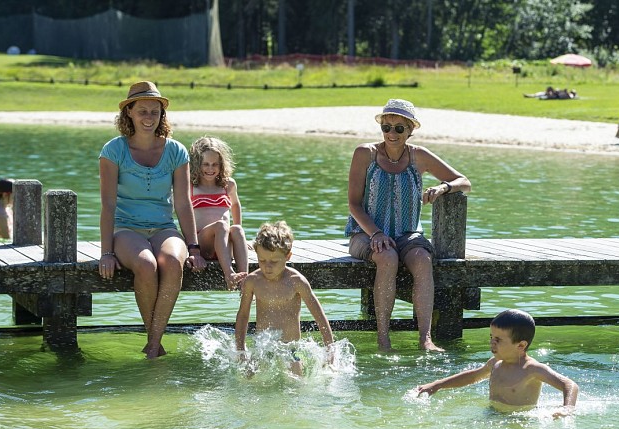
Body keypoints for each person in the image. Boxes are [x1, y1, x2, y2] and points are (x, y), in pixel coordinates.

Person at [345, 98, 471, 352]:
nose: (392, 133)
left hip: (408, 235)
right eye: (387, 127)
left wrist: (443, 187)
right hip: (365, 234)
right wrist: (376, 233)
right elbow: (353, 205)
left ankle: (425, 338)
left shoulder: (419, 156)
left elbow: (464, 181)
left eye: (399, 128)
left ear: (411, 130)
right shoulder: (364, 153)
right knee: (387, 256)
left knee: (423, 260)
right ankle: (383, 338)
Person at [98, 81, 206, 359]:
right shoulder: (113, 151)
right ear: (129, 113)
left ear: (162, 116)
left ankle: (153, 345)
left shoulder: (176, 151)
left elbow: (183, 203)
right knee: (146, 264)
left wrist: (193, 248)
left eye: (154, 112)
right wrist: (106, 253)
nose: (149, 118)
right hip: (126, 229)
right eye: (142, 111)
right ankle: (155, 343)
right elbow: (108, 204)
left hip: (164, 228)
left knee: (171, 261)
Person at [415, 309, 579, 417]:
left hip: (519, 422)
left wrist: (567, 408)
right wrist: (437, 385)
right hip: (491, 414)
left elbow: (570, 385)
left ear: (521, 345)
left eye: (498, 340)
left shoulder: (532, 369)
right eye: (491, 338)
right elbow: (473, 377)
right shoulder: (495, 363)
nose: (492, 343)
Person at [235, 221, 334, 375]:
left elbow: (319, 316)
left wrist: (330, 349)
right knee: (248, 377)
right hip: (263, 346)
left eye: (274, 262)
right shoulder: (252, 281)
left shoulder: (296, 281)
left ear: (288, 256)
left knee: (296, 382)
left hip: (290, 348)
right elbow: (242, 316)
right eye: (262, 260)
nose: (267, 267)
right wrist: (240, 349)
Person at [189, 136, 249, 290]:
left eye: (215, 164)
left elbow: (235, 205)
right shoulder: (190, 187)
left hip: (224, 247)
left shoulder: (228, 184)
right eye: (206, 164)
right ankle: (229, 274)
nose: (210, 169)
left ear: (221, 165)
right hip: (203, 243)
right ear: (196, 164)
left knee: (237, 229)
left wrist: (239, 237)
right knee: (221, 225)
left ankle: (245, 282)